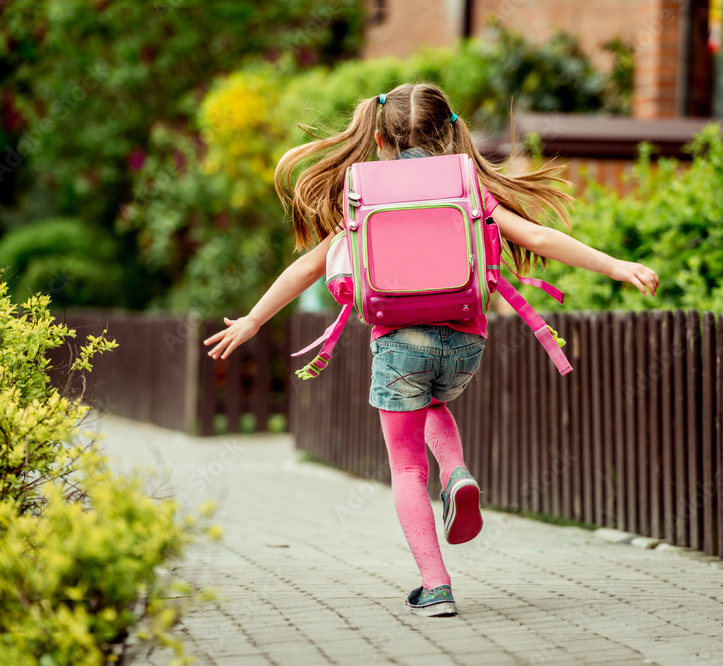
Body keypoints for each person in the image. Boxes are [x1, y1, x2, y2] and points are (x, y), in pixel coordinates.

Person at [203, 83, 659, 618]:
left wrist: (256, 319)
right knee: (435, 404)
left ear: (377, 137)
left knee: (405, 468)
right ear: (449, 134)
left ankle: (436, 584)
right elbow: (537, 239)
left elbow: (307, 266)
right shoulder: (468, 189)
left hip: (398, 344)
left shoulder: (362, 192)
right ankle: (459, 471)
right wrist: (615, 265)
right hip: (466, 341)